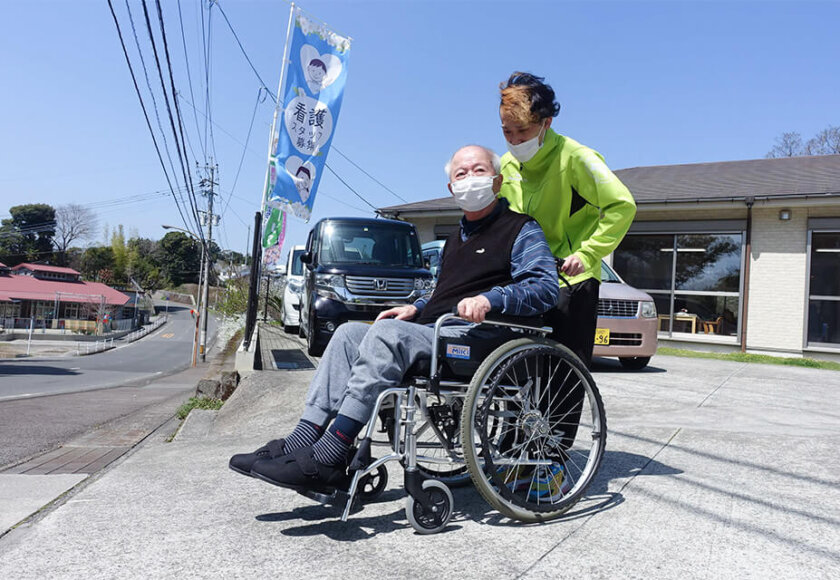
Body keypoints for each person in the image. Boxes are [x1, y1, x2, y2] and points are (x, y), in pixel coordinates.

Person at [229, 145, 560, 493]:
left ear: (497, 181)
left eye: (479, 171)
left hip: (478, 338)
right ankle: (303, 438)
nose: (469, 180)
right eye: (460, 174)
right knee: (347, 334)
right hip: (436, 332)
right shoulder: (455, 241)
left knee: (388, 334)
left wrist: (489, 299)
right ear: (451, 188)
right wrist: (417, 306)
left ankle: (332, 452)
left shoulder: (521, 229)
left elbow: (544, 288)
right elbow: (442, 291)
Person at [497, 72, 637, 368]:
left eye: (522, 131)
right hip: (523, 279)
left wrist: (587, 253)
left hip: (569, 278)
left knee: (565, 374)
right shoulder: (506, 165)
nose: (514, 140)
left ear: (546, 123)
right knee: (511, 369)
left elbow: (621, 205)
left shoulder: (576, 158)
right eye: (507, 132)